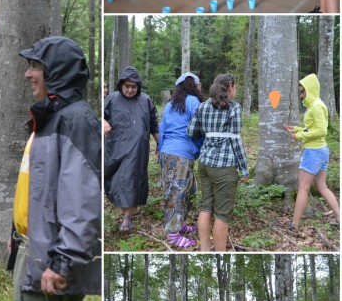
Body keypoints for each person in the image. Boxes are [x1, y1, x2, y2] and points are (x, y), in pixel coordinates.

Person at [10, 36, 101, 301]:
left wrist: (62, 261)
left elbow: (83, 199)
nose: (29, 74)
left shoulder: (75, 120)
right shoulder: (55, 116)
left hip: (52, 261)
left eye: (37, 67)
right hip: (41, 254)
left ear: (57, 74)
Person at [187, 74, 249, 251]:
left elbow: (191, 131)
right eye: (235, 87)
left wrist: (208, 133)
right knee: (222, 214)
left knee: (205, 207)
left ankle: (205, 250)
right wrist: (244, 169)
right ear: (230, 87)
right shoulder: (234, 108)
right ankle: (221, 253)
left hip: (205, 163)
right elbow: (236, 141)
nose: (235, 91)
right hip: (224, 166)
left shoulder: (203, 106)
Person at [104, 66, 159, 233]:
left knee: (132, 179)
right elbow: (100, 118)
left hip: (138, 149)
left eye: (133, 87)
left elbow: (153, 124)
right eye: (126, 86)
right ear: (121, 85)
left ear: (138, 87)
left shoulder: (145, 100)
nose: (129, 90)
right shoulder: (111, 99)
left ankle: (127, 216)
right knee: (117, 181)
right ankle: (124, 210)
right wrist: (103, 122)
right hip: (116, 147)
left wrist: (159, 144)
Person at [283, 73, 341, 230]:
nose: (301, 94)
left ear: (310, 89)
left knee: (303, 188)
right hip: (321, 151)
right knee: (322, 187)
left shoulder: (316, 106)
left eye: (303, 91)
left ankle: (294, 225)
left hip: (313, 152)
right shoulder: (316, 105)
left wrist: (299, 136)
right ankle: (339, 218)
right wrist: (295, 129)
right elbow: (313, 128)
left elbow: (322, 131)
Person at [158, 72, 204, 248]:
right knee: (177, 194)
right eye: (199, 85)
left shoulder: (170, 104)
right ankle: (173, 235)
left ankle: (180, 223)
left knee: (189, 189)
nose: (200, 88)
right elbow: (200, 125)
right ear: (193, 85)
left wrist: (161, 152)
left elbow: (162, 129)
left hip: (168, 152)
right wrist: (200, 146)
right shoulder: (193, 101)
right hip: (181, 154)